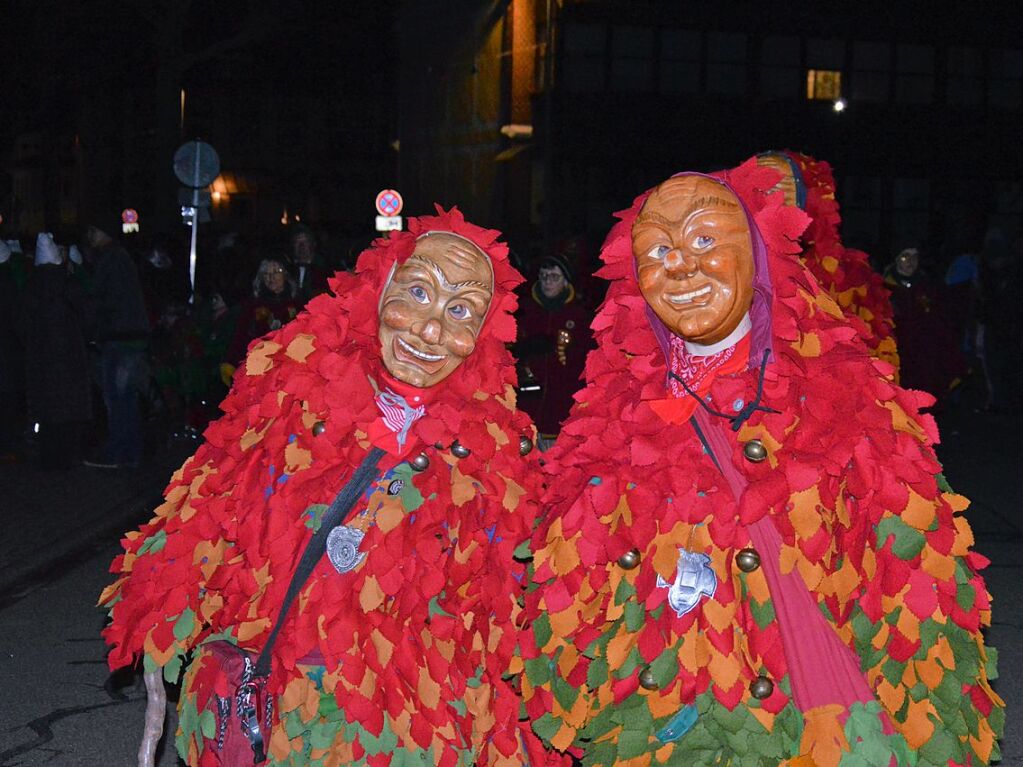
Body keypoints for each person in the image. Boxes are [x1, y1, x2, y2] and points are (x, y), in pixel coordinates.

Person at [518, 162, 1002, 765]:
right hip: (670, 718)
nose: (680, 266)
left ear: (760, 255)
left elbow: (916, 592)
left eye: (704, 239)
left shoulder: (846, 397)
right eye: (657, 250)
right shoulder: (613, 415)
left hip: (813, 711)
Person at [100, 208, 566, 767]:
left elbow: (513, 597)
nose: (430, 329)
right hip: (286, 692)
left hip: (409, 721)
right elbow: (213, 500)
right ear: (378, 290)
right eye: (418, 293)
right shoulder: (296, 396)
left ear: (484, 336)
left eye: (460, 310)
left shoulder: (493, 451)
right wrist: (158, 601)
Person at [755, 150, 898, 373]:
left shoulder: (850, 276)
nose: (770, 198)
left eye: (781, 189)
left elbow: (873, 362)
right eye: (761, 189)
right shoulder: (730, 267)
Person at [16, 233, 92, 470]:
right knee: (68, 412)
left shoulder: (31, 289)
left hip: (42, 362)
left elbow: (21, 325)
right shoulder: (69, 286)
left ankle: (49, 459)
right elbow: (87, 319)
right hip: (70, 360)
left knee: (48, 412)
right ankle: (68, 458)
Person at [82, 224, 151, 469]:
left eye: (93, 231)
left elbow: (102, 300)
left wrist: (92, 327)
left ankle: (120, 452)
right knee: (125, 396)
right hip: (127, 335)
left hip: (120, 337)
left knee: (118, 397)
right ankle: (130, 452)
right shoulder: (120, 258)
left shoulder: (110, 259)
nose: (90, 236)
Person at [515, 254, 594, 439]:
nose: (547, 281)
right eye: (543, 275)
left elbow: (589, 363)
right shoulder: (524, 312)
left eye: (554, 276)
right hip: (527, 411)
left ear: (566, 282)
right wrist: (524, 349)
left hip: (564, 412)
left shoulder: (579, 317)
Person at [884, 247, 964, 403]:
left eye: (915, 257)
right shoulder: (883, 287)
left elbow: (940, 320)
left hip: (924, 354)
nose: (911, 262)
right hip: (896, 353)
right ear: (896, 258)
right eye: (905, 256)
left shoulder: (927, 286)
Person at [227, 258, 302, 366]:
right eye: (266, 273)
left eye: (276, 272)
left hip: (290, 364)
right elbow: (241, 335)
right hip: (259, 364)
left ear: (286, 275)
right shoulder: (253, 305)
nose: (271, 277)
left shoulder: (297, 304)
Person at [290, 224, 330, 303]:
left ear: (313, 244)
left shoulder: (326, 269)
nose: (301, 246)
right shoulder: (287, 269)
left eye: (305, 241)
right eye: (297, 242)